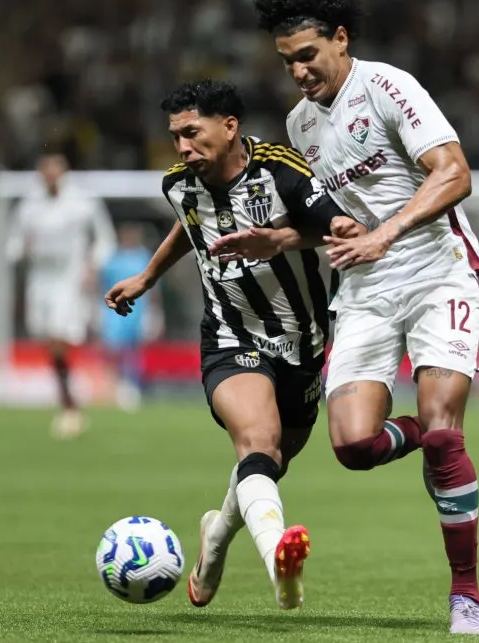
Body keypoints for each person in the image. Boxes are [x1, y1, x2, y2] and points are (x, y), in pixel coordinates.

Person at [220, 0, 479, 634]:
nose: (300, 73)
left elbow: (454, 172)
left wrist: (388, 233)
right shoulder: (300, 125)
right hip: (367, 289)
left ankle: (466, 595)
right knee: (353, 445)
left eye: (309, 56)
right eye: (288, 62)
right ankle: (423, 433)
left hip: (434, 273)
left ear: (340, 39)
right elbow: (332, 221)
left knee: (443, 428)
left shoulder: (388, 86)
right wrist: (281, 239)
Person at [103, 79, 360, 611]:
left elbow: (339, 225)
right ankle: (279, 570)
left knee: (268, 464)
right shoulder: (179, 184)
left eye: (192, 133)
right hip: (231, 336)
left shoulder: (282, 171)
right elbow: (189, 224)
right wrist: (148, 277)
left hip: (305, 345)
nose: (182, 148)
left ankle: (215, 539)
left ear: (229, 127)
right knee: (258, 442)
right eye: (176, 136)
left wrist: (282, 239)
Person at [7, 152, 116, 439]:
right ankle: (69, 400)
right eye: (46, 172)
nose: (51, 177)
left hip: (69, 278)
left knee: (59, 337)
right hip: (39, 279)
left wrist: (93, 264)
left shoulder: (82, 202)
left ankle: (70, 405)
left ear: (64, 173)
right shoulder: (29, 205)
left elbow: (105, 239)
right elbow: (13, 242)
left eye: (55, 171)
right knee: (47, 339)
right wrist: (20, 250)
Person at [98, 223, 164, 412]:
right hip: (114, 312)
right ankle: (116, 385)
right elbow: (101, 282)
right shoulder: (112, 257)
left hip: (137, 311)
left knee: (134, 351)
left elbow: (153, 285)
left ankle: (132, 386)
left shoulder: (144, 257)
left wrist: (155, 312)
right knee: (114, 350)